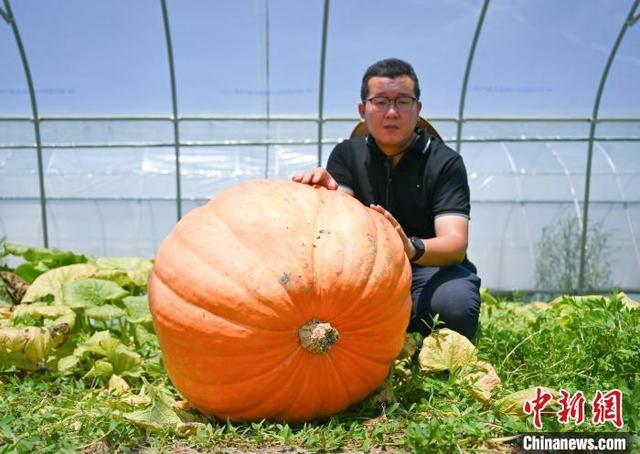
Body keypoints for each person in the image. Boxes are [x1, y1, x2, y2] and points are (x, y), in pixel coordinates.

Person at [292, 58, 481, 341]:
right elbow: (337, 229)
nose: (391, 112)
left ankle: (411, 325)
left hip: (431, 268)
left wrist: (411, 248)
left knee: (453, 307)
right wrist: (327, 198)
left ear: (418, 109)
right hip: (367, 271)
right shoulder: (347, 155)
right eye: (380, 101)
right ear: (362, 109)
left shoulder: (445, 162)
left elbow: (454, 244)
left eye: (403, 101)